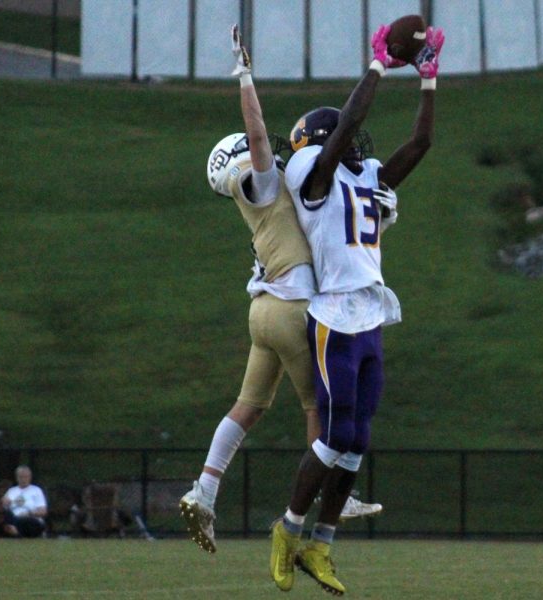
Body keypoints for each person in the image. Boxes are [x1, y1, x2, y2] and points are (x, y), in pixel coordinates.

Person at [178, 25, 385, 555]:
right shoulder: (263, 184)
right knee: (321, 409)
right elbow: (261, 137)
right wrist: (245, 76)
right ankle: (332, 496)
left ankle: (204, 490)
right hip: (294, 308)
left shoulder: (260, 200)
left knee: (246, 407)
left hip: (262, 310)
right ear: (240, 162)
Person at [268, 22, 444, 595]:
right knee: (336, 430)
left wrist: (428, 81)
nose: (358, 150)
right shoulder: (311, 175)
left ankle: (321, 545)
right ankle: (287, 530)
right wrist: (375, 66)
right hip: (333, 315)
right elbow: (347, 128)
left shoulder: (363, 177)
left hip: (369, 312)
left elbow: (419, 146)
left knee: (358, 439)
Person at [0, 465, 48, 538]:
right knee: (7, 518)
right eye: (21, 477)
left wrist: (29, 513)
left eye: (26, 477)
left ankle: (16, 532)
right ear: (17, 478)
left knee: (24, 522)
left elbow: (43, 512)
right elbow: (3, 509)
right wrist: (4, 503)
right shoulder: (11, 491)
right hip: (14, 517)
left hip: (30, 518)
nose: (23, 479)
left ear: (30, 477)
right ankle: (17, 531)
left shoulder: (36, 490)